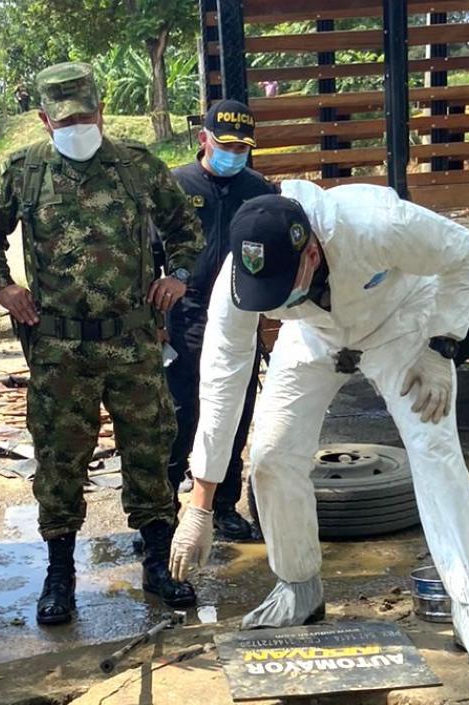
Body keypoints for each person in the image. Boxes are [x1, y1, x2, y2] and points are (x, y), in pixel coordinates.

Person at [168, 184, 469, 676]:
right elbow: (224, 374)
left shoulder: (376, 224)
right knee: (272, 455)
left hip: (402, 325)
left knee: (433, 448)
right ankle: (298, 587)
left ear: (312, 250)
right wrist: (200, 501)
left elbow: (464, 251)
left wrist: (441, 346)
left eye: (282, 284)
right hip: (316, 336)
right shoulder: (242, 274)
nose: (274, 298)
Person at [0, 61, 205, 625]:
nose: (78, 124)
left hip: (132, 342)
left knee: (150, 451)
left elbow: (185, 230)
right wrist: (3, 288)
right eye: (65, 118)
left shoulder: (137, 166)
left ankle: (156, 561)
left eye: (86, 114)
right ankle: (59, 574)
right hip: (58, 350)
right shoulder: (23, 171)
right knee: (58, 461)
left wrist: (179, 276)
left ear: (99, 111)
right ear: (45, 120)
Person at [166, 99, 275, 541]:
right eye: (225, 144)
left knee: (235, 410)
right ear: (203, 139)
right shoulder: (176, 185)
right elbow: (152, 249)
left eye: (242, 147)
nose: (234, 153)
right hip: (186, 313)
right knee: (179, 413)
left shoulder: (259, 188)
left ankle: (225, 506)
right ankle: (165, 507)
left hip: (240, 315)